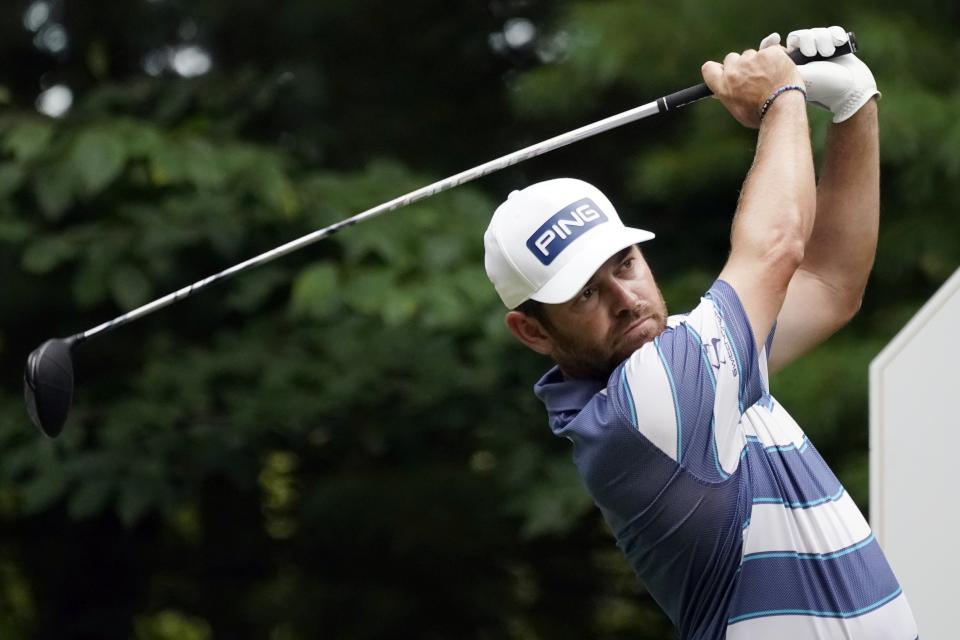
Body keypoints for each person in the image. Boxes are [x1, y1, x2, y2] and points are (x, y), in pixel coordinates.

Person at [483, 27, 919, 639]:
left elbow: (828, 285)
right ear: (532, 331)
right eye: (586, 293)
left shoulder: (696, 351)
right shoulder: (641, 410)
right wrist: (782, 98)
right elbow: (775, 249)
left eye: (625, 264)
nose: (625, 298)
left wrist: (852, 108)